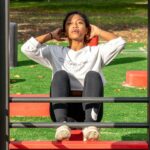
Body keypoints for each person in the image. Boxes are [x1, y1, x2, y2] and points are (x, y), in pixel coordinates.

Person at [21, 11, 126, 141]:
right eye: (69, 23)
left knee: (93, 75)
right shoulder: (55, 51)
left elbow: (120, 43)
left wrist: (98, 31)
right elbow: (27, 48)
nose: (75, 26)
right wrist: (51, 35)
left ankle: (90, 125)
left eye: (80, 23)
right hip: (63, 111)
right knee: (60, 75)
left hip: (90, 110)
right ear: (64, 30)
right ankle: (61, 125)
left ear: (87, 30)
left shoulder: (97, 51)